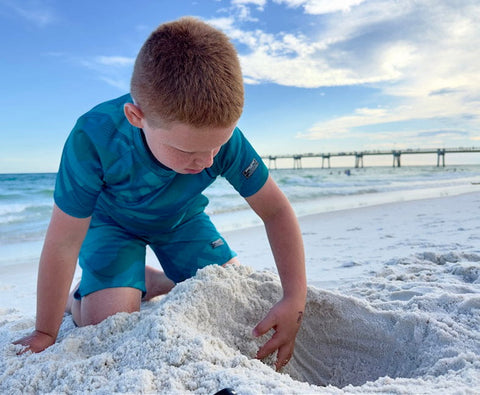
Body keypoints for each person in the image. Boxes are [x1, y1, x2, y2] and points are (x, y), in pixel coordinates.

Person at [14, 17, 306, 371]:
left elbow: (275, 211)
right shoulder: (94, 137)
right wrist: (45, 331)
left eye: (219, 145)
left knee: (229, 291)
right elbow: (63, 242)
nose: (207, 160)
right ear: (137, 117)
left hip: (181, 220)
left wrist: (294, 297)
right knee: (106, 321)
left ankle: (153, 280)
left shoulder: (214, 137)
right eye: (187, 151)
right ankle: (85, 293)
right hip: (112, 225)